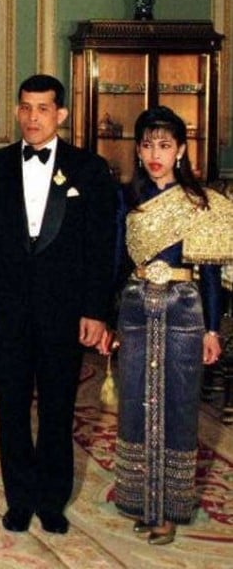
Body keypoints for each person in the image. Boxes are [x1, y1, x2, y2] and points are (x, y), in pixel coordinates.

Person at [0, 74, 116, 535]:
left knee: (58, 407)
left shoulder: (89, 169)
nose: (33, 118)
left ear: (61, 115)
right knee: (10, 408)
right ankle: (19, 499)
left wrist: (95, 311)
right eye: (26, 108)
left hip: (65, 311)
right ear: (17, 111)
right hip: (9, 309)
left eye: (43, 109)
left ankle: (51, 499)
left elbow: (100, 248)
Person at [100, 106, 233, 545]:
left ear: (179, 151)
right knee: (137, 404)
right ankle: (140, 500)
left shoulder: (200, 203)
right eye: (147, 145)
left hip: (184, 310)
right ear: (138, 151)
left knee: (176, 408)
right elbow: (118, 264)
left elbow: (210, 273)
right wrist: (109, 320)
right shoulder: (127, 199)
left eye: (164, 145)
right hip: (136, 310)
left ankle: (170, 509)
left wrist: (212, 330)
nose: (155, 154)